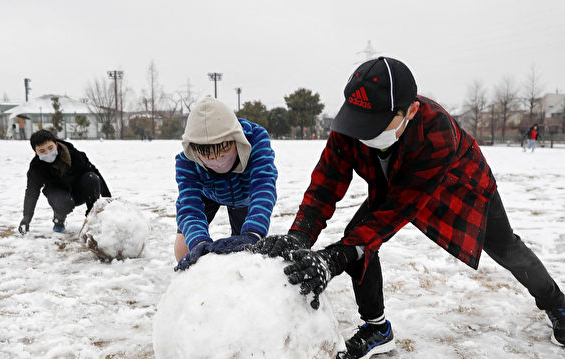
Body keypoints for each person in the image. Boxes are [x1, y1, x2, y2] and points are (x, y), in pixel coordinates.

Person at [251, 57, 565, 358]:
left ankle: (557, 303)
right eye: (359, 123)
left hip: (459, 188)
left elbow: (396, 211)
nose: (363, 133)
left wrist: (333, 260)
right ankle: (376, 328)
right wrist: (300, 235)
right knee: (358, 239)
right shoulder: (350, 124)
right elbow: (326, 182)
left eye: (373, 125)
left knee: (507, 248)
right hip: (396, 184)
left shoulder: (437, 132)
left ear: (410, 111)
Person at [173, 97, 278, 271]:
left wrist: (253, 232)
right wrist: (199, 241)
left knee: (245, 251)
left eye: (223, 151)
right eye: (207, 156)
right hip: (207, 195)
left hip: (244, 196)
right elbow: (189, 206)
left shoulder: (256, 139)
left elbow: (264, 186)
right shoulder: (186, 161)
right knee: (185, 249)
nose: (217, 161)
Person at [18, 129, 111, 234]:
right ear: (36, 152)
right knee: (62, 201)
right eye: (42, 151)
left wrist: (108, 198)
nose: (48, 153)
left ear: (56, 145)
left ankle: (92, 219)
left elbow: (94, 172)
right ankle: (59, 220)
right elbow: (31, 192)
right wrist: (26, 218)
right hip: (58, 196)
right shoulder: (36, 167)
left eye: (50, 148)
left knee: (92, 178)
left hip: (78, 191)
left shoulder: (74, 155)